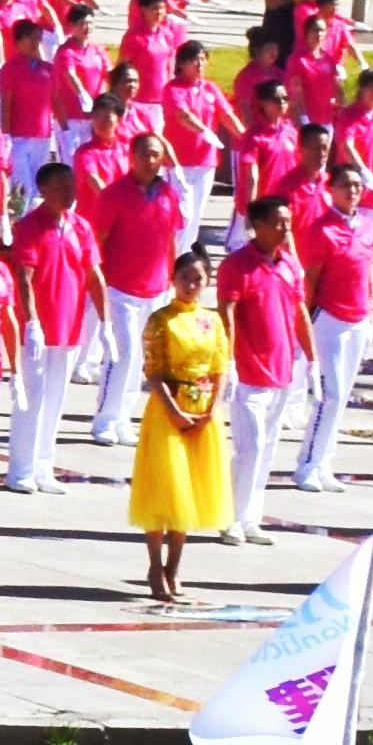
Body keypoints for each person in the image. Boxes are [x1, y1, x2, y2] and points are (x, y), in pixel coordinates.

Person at [129, 242, 238, 609]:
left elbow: (221, 365)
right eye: (185, 278)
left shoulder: (213, 320)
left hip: (204, 410)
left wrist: (213, 408)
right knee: (165, 488)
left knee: (190, 490)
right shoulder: (161, 320)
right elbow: (154, 371)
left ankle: (175, 566)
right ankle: (154, 565)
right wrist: (174, 408)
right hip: (168, 410)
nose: (192, 285)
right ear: (173, 280)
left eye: (198, 279)